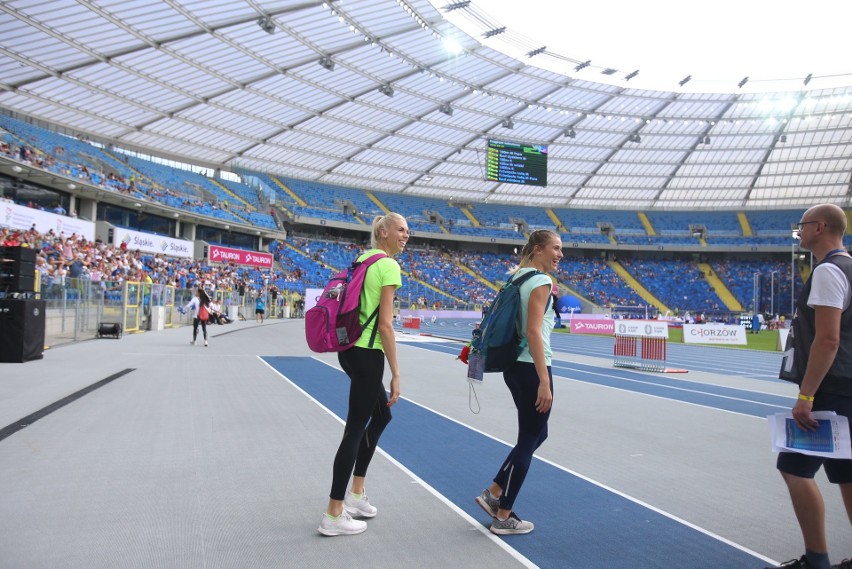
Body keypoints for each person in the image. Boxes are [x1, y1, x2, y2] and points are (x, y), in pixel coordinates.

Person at [769, 204, 852, 569]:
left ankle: (816, 559)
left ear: (820, 227)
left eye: (801, 226)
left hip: (831, 388)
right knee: (849, 474)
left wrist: (806, 395)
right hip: (849, 384)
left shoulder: (829, 271)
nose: (798, 232)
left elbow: (828, 340)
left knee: (794, 467)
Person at [318, 212, 409, 537]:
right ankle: (333, 513)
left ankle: (355, 495)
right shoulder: (387, 265)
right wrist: (396, 373)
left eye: (407, 231)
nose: (405, 235)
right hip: (369, 353)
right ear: (383, 232)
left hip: (349, 350)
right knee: (355, 429)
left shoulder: (361, 260)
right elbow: (385, 325)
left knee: (381, 418)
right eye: (400, 229)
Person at [474, 229, 563, 535]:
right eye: (555, 248)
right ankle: (504, 514)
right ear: (538, 249)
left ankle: (494, 492)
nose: (560, 254)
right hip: (531, 366)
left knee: (538, 433)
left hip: (514, 366)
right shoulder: (541, 281)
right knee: (529, 438)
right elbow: (534, 332)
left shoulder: (516, 277)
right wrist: (544, 381)